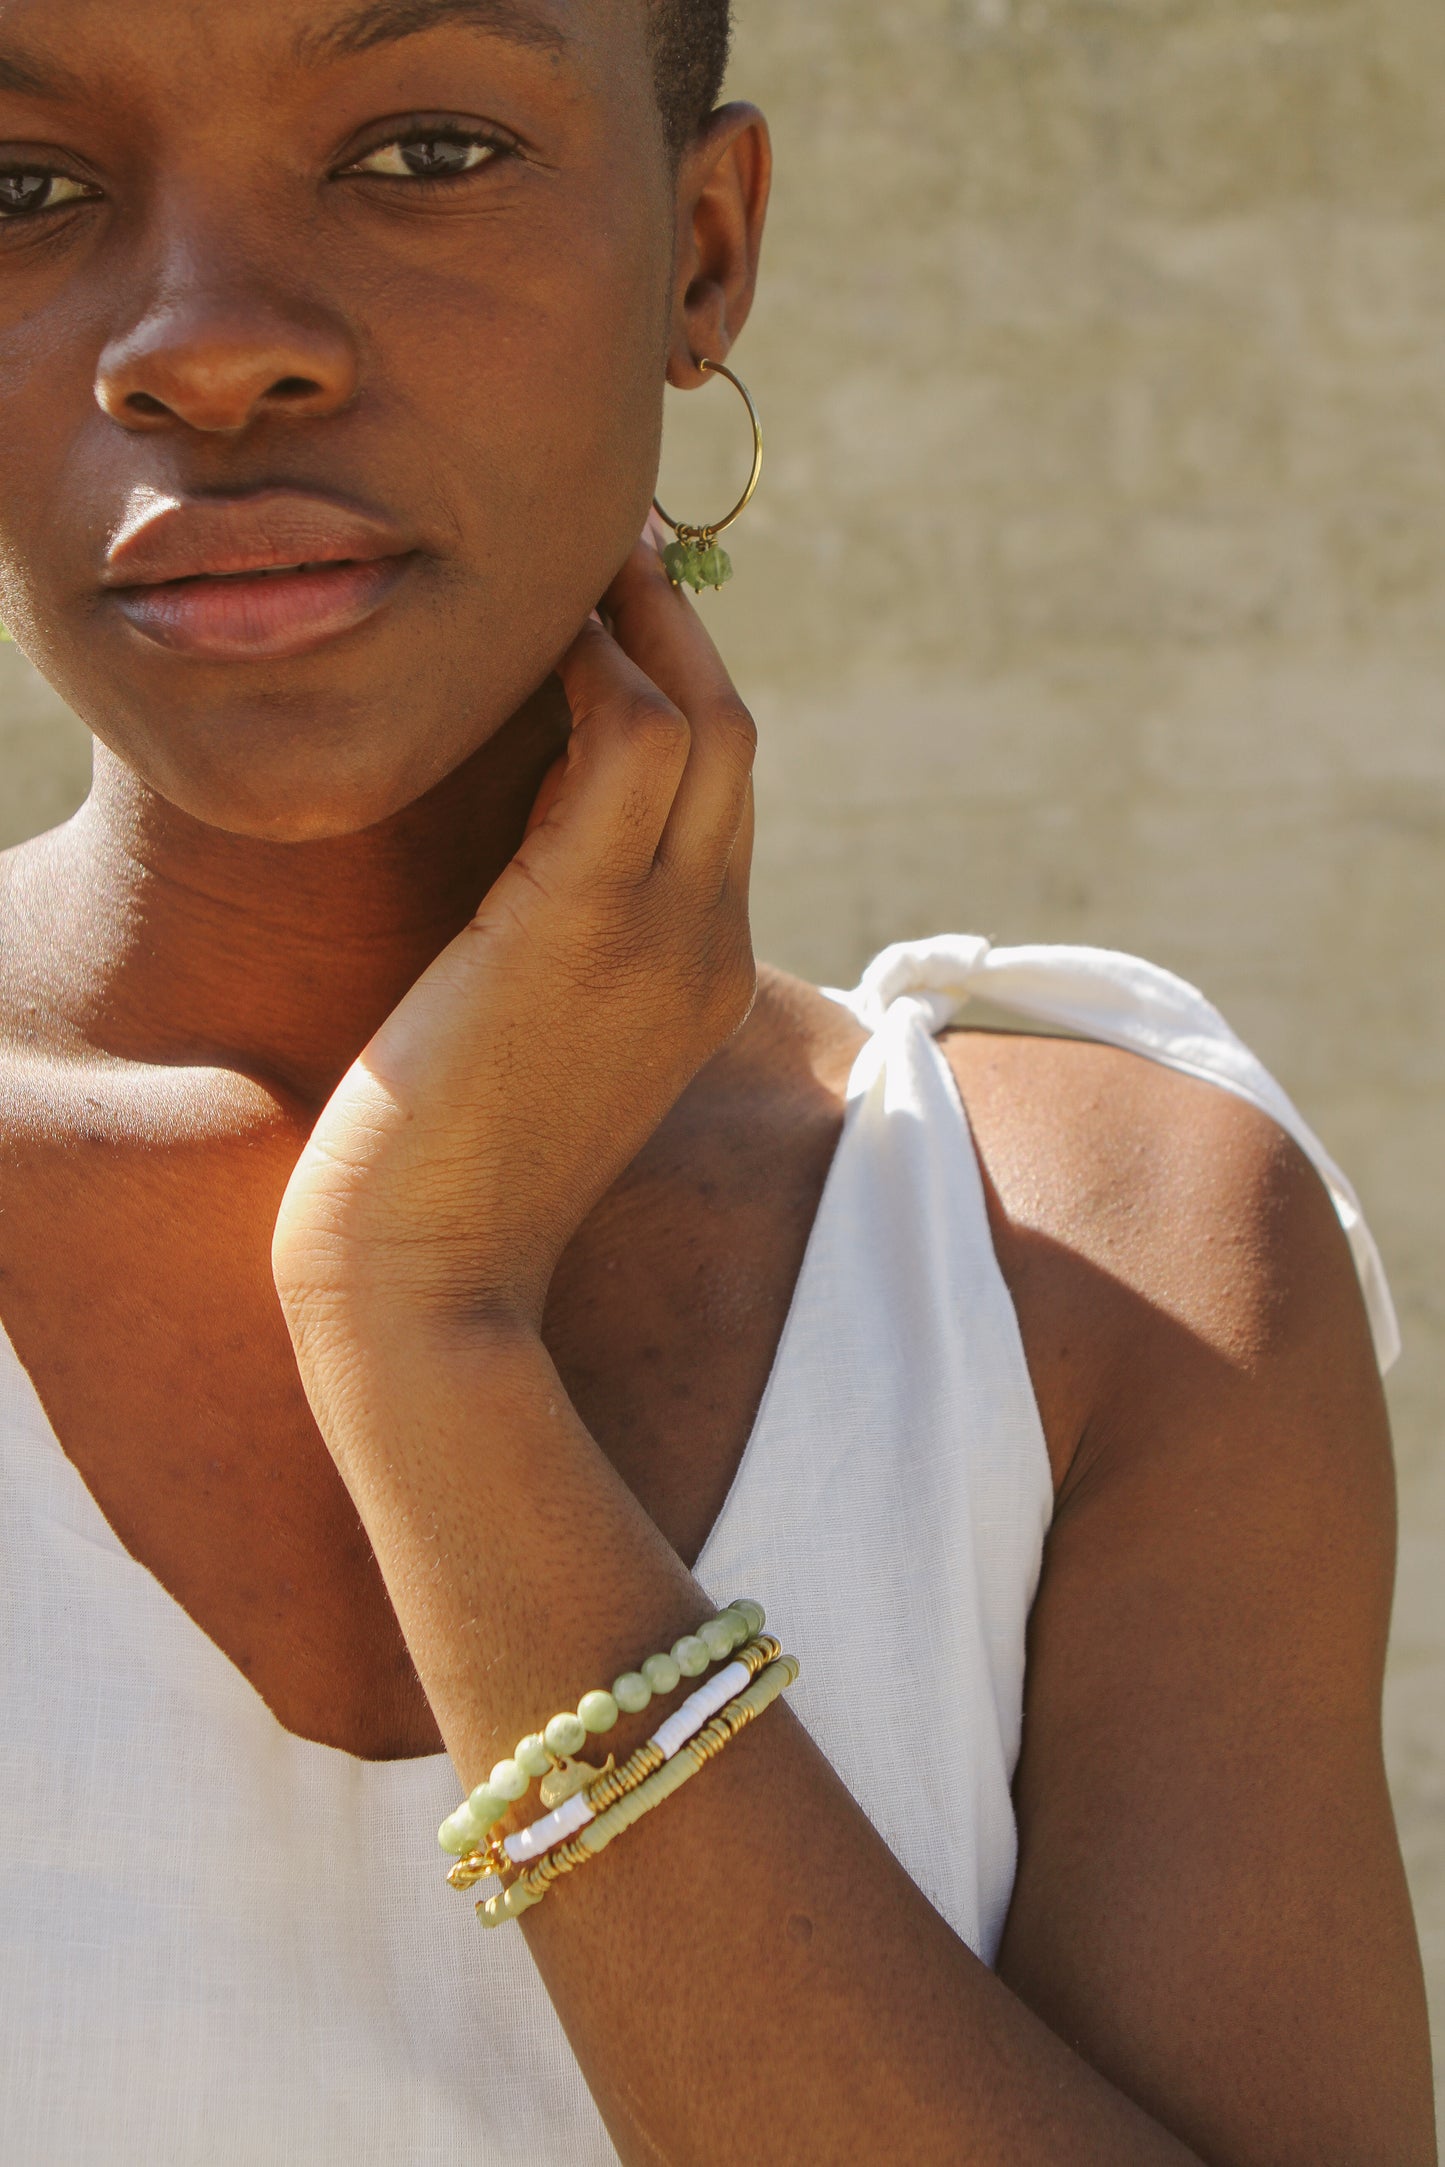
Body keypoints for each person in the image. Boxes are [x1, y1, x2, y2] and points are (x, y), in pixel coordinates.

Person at [0, 1, 1434, 2160]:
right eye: (20, 190)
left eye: (418, 155)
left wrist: (429, 1325)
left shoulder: (1097, 1276)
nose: (207, 347)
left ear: (702, 248)